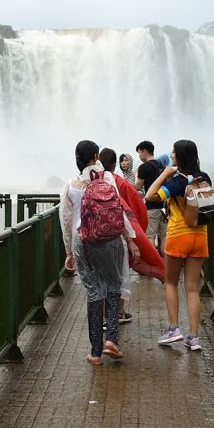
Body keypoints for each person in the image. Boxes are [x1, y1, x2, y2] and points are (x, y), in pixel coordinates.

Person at [60, 141, 140, 365]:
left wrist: (68, 252)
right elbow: (119, 211)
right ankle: (111, 340)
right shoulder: (106, 178)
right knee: (114, 286)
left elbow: (66, 221)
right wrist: (131, 238)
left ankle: (95, 353)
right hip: (110, 239)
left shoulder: (69, 185)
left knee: (94, 291)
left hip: (82, 242)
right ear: (95, 156)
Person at [145, 140, 212, 351]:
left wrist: (164, 174)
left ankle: (174, 329)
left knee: (171, 282)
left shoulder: (176, 182)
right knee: (192, 288)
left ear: (180, 156)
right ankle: (194, 338)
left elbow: (150, 196)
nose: (171, 155)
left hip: (178, 236)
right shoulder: (205, 178)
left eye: (174, 152)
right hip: (200, 237)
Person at [99, 148, 165, 325]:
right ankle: (118, 313)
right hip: (118, 236)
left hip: (94, 238)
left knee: (101, 278)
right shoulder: (118, 182)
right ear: (115, 164)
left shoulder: (90, 181)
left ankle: (102, 317)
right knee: (121, 276)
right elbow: (135, 207)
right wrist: (135, 233)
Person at [134, 141, 167, 254]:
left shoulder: (143, 167)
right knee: (164, 236)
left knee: (150, 236)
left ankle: (155, 264)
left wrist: (136, 174)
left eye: (139, 153)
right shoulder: (162, 166)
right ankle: (166, 263)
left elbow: (137, 187)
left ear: (144, 151)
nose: (139, 156)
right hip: (164, 206)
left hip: (151, 206)